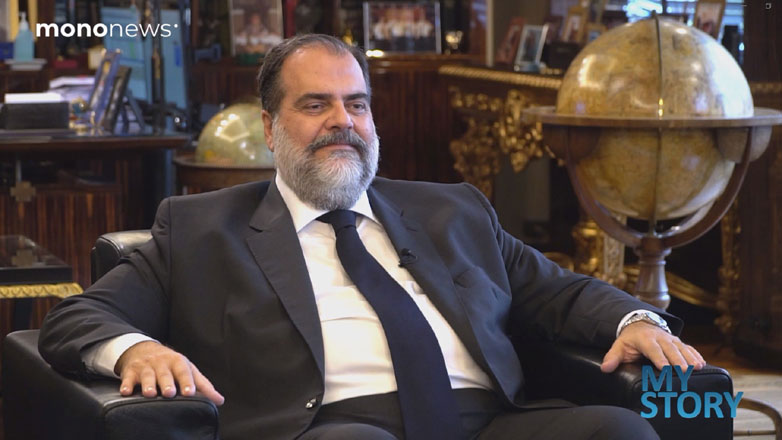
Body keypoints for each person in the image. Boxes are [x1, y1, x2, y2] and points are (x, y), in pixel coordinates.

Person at [39, 34, 706, 440]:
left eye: (356, 104)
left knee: (617, 428)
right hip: (330, 425)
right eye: (316, 105)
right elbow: (75, 318)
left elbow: (559, 293)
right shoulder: (201, 229)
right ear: (269, 128)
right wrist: (136, 349)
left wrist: (636, 319)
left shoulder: (454, 211)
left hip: (486, 421)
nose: (343, 121)